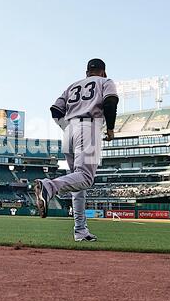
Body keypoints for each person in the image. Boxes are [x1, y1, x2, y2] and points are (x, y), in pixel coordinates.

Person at [35, 58, 118, 242]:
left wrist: (68, 127)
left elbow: (55, 110)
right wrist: (110, 129)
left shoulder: (72, 86)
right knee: (86, 178)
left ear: (86, 72)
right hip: (89, 127)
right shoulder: (105, 81)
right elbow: (110, 103)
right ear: (103, 72)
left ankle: (80, 230)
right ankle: (49, 186)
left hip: (69, 131)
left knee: (77, 183)